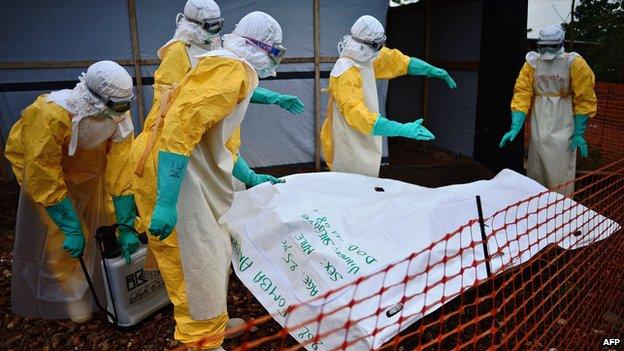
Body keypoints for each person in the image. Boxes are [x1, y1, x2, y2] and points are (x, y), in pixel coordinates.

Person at [132, 12, 286, 350]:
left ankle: (212, 321)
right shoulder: (230, 71)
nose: (276, 60)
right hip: (178, 177)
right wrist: (166, 201)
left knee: (213, 253)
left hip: (190, 173)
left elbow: (217, 141)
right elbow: (179, 129)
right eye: (275, 52)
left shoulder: (229, 69)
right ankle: (201, 341)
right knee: (193, 263)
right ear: (261, 49)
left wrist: (250, 175)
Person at [5, 61, 139, 323]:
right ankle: (68, 298)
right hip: (44, 169)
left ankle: (103, 279)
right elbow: (44, 172)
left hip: (88, 167)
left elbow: (122, 169)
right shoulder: (50, 113)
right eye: (118, 106)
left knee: (104, 219)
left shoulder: (119, 112)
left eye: (127, 105)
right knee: (58, 237)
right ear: (97, 99)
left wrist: (125, 224)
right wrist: (71, 227)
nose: (124, 112)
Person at [133, 0, 303, 190]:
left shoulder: (218, 51)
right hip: (185, 144)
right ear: (193, 23)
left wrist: (273, 97)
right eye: (211, 25)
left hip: (219, 142)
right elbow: (171, 107)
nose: (216, 31)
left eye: (218, 24)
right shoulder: (178, 52)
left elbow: (230, 92)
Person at [321, 15, 457, 177]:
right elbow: (357, 114)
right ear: (365, 45)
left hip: (365, 135)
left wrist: (430, 70)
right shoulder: (345, 72)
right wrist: (401, 129)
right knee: (351, 189)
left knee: (366, 180)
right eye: (378, 46)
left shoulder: (366, 57)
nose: (380, 50)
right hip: (349, 144)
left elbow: (395, 61)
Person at [499, 24, 597, 195]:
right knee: (537, 165)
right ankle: (538, 205)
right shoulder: (532, 64)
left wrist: (579, 131)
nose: (548, 50)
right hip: (540, 121)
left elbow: (584, 98)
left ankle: (561, 206)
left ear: (560, 44)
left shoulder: (574, 63)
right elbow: (522, 93)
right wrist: (515, 126)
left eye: (552, 46)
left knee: (560, 168)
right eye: (544, 46)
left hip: (564, 118)